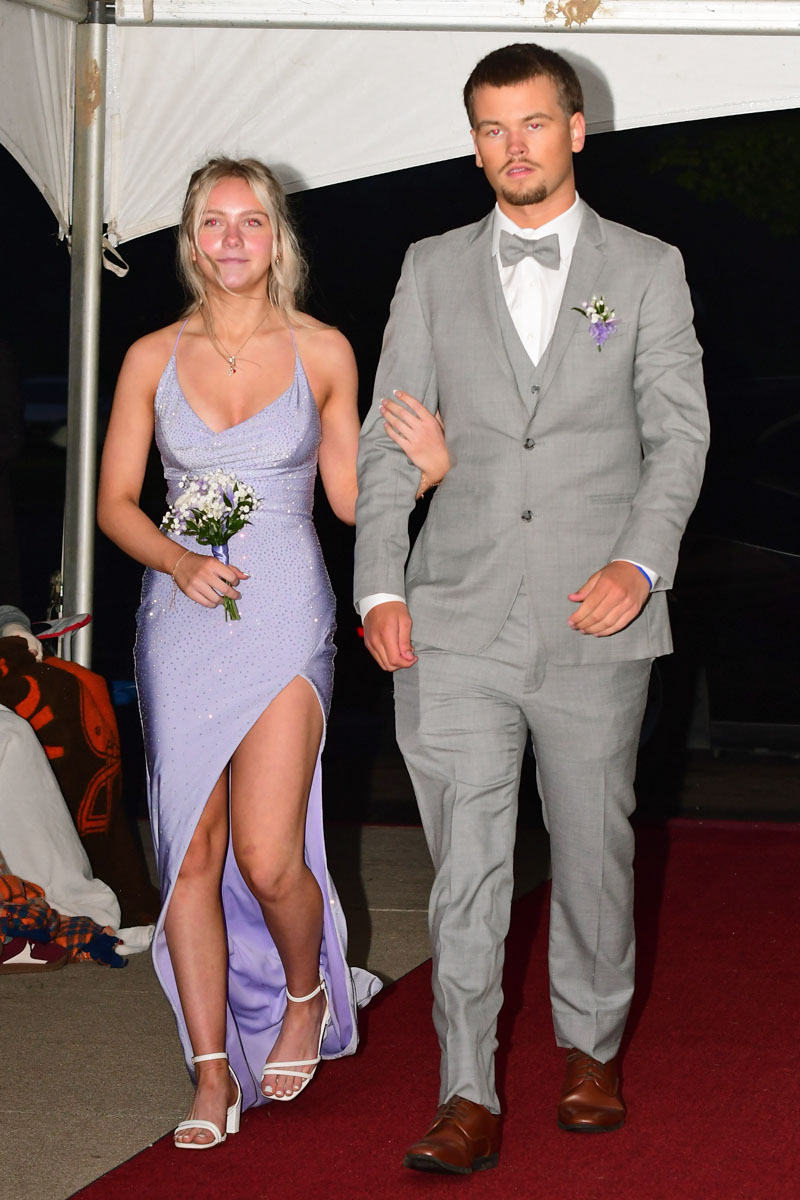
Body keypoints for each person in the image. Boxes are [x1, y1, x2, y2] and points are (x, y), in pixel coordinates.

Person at [355, 43, 709, 1174]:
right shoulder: (428, 266)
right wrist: (376, 579)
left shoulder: (645, 267)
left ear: (574, 131)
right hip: (450, 617)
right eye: (490, 128)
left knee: (594, 844)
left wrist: (637, 564)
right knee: (465, 861)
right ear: (474, 142)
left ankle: (589, 1044)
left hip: (590, 617)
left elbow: (677, 437)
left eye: (532, 124)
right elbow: (385, 442)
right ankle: (466, 1091)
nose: (512, 147)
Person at [97, 157, 450, 1150]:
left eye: (251, 222)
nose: (232, 240)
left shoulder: (325, 350)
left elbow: (347, 500)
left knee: (266, 854)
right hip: (182, 619)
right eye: (214, 223)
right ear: (189, 239)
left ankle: (306, 994)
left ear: (277, 236)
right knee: (191, 856)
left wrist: (419, 476)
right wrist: (175, 559)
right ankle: (210, 1073)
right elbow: (113, 503)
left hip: (288, 609)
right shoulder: (150, 357)